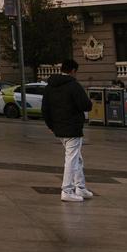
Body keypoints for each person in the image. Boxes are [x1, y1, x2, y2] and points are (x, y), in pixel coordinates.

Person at [41, 58, 94, 203]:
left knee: (77, 157)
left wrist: (51, 126)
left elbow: (44, 109)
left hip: (58, 128)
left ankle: (80, 187)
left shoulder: (50, 86)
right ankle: (67, 190)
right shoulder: (73, 85)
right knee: (71, 159)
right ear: (73, 71)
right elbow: (86, 105)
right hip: (72, 128)